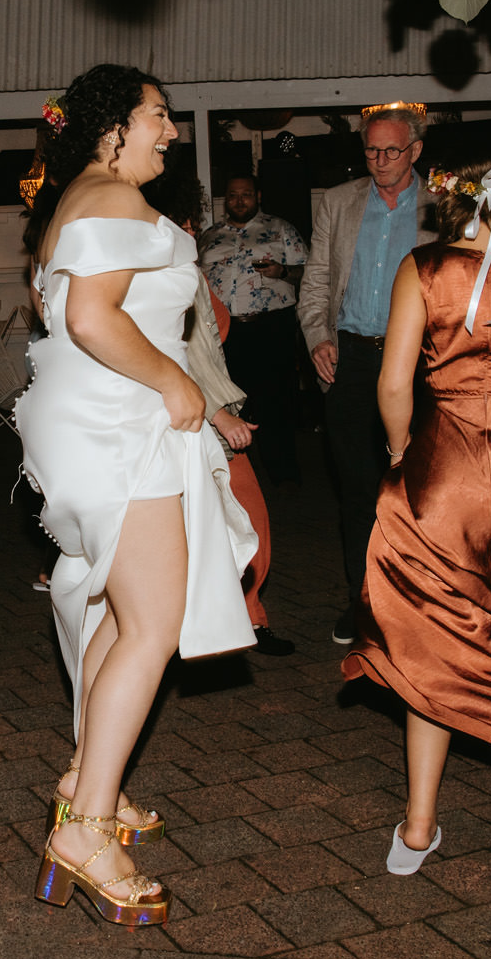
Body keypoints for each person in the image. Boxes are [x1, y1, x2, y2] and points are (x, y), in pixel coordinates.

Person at [14, 66, 257, 926]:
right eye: (158, 115)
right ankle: (84, 831)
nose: (172, 131)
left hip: (89, 425)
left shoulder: (73, 200)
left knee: (119, 615)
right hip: (119, 428)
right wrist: (174, 381)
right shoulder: (113, 198)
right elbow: (90, 317)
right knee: (152, 625)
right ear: (113, 123)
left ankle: (90, 779)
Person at [343, 156, 491, 906]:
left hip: (444, 472)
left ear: (447, 205)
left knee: (430, 639)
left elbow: (393, 384)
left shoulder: (425, 267)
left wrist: (401, 453)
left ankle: (417, 826)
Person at [298, 102, 435, 645]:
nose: (379, 161)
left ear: (415, 150)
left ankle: (424, 607)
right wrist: (318, 337)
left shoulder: (443, 205)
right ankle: (364, 603)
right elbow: (316, 281)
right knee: (358, 494)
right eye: (371, 150)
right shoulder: (339, 202)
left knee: (421, 490)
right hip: (351, 360)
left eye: (391, 151)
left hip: (420, 362)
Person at [151, 171, 291, 656]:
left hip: (208, 409)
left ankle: (244, 619)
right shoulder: (166, 279)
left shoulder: (187, 271)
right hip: (192, 417)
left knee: (238, 520)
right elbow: (175, 357)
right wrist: (217, 414)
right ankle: (218, 624)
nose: (193, 229)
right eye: (183, 222)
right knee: (224, 521)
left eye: (193, 221)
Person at [198, 174, 308, 484]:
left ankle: (283, 476)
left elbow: (310, 272)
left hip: (270, 327)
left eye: (246, 194)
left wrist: (282, 271)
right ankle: (233, 478)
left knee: (276, 403)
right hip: (224, 332)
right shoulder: (209, 236)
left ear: (258, 196)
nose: (239, 200)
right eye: (233, 195)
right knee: (227, 401)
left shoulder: (281, 229)